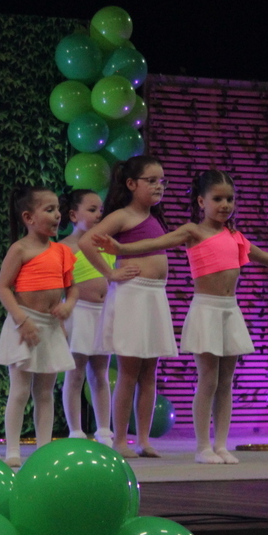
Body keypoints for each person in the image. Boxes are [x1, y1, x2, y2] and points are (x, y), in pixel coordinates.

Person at [96, 169, 268, 463]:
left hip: (230, 311)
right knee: (208, 379)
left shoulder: (235, 236)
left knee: (226, 381)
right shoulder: (193, 232)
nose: (225, 205)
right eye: (217, 199)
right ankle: (203, 446)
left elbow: (259, 255)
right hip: (206, 309)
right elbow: (158, 243)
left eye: (230, 199)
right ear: (201, 202)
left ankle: (221, 444)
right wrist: (122, 248)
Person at [79, 155, 175, 460]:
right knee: (129, 371)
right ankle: (120, 439)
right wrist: (109, 273)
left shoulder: (155, 218)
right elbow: (86, 242)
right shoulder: (122, 215)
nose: (159, 186)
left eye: (162, 181)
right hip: (132, 296)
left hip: (154, 296)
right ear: (132, 184)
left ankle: (143, 439)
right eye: (152, 180)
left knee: (150, 371)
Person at [0, 186, 78, 467]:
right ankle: (13, 450)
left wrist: (68, 305)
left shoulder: (62, 251)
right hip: (24, 325)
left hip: (50, 327)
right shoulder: (19, 249)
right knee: (20, 391)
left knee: (44, 393)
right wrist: (22, 319)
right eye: (49, 210)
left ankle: (43, 449)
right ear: (29, 217)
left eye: (57, 209)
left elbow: (72, 288)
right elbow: (3, 288)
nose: (57, 215)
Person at [57, 189, 139, 447]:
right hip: (78, 311)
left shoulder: (105, 244)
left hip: (102, 312)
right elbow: (58, 286)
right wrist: (60, 320)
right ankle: (75, 430)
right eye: (92, 210)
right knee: (75, 373)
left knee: (100, 372)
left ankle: (104, 429)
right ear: (73, 215)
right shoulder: (63, 248)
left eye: (100, 210)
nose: (98, 215)